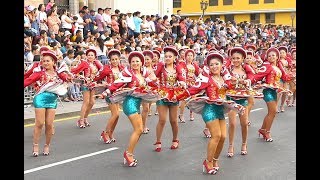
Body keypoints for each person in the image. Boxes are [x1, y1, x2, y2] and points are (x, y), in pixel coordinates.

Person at [186, 52, 245, 174]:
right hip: (209, 110)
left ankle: (214, 159)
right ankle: (207, 162)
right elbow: (193, 89)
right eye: (211, 64)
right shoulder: (207, 79)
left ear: (221, 65)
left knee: (223, 137)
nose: (214, 66)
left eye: (216, 64)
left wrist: (244, 83)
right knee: (216, 135)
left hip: (220, 110)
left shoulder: (224, 78)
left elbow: (233, 87)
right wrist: (178, 95)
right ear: (208, 66)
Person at [101, 51, 158, 167]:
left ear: (141, 63)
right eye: (133, 61)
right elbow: (117, 84)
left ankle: (129, 153)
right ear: (130, 63)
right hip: (130, 104)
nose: (135, 63)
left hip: (137, 104)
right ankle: (128, 154)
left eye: (137, 61)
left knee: (140, 130)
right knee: (138, 130)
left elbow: (152, 83)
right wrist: (106, 92)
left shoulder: (143, 75)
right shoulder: (128, 74)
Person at [24, 50, 72, 157]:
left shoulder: (59, 73)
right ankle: (35, 145)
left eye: (48, 61)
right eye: (44, 61)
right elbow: (27, 80)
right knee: (40, 123)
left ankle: (47, 145)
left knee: (49, 124)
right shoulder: (39, 73)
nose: (45, 63)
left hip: (52, 100)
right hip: (40, 98)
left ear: (53, 62)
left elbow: (69, 79)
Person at [225, 47, 261, 157]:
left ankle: (244, 144)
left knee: (244, 123)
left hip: (243, 98)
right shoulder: (228, 69)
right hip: (231, 98)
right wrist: (230, 81)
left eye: (238, 58)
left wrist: (246, 81)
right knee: (232, 123)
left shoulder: (246, 68)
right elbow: (223, 78)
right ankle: (230, 145)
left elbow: (253, 77)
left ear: (242, 59)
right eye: (234, 58)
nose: (236, 60)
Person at [250, 47, 292, 142]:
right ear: (267, 57)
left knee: (271, 112)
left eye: (273, 55)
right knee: (273, 112)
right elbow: (257, 76)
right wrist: (249, 82)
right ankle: (267, 132)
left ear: (277, 57)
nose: (271, 57)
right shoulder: (267, 66)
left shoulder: (278, 66)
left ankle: (262, 129)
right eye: (269, 56)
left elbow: (285, 77)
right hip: (268, 91)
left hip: (275, 91)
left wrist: (292, 76)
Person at [153, 46, 188, 152]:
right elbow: (154, 76)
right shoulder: (160, 66)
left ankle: (175, 139)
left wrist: (182, 83)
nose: (167, 58)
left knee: (173, 120)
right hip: (162, 94)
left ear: (174, 58)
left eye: (170, 56)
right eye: (166, 56)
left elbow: (182, 79)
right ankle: (158, 141)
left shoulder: (178, 68)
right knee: (162, 119)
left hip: (173, 95)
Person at [93, 49, 124, 143]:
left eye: (116, 59)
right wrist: (103, 84)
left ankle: (111, 133)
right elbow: (96, 77)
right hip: (109, 93)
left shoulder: (122, 68)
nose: (115, 61)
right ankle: (105, 133)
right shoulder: (106, 68)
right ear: (110, 60)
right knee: (115, 114)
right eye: (113, 59)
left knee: (117, 116)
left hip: (119, 93)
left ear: (119, 59)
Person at [71, 48, 103, 128]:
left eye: (92, 55)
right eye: (88, 55)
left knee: (92, 102)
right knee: (86, 102)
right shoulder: (84, 63)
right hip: (86, 85)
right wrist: (80, 76)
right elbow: (75, 70)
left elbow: (102, 71)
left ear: (95, 56)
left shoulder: (96, 64)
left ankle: (85, 118)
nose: (90, 56)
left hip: (93, 85)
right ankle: (81, 120)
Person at [177, 49, 200, 123]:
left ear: (193, 57)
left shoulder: (195, 65)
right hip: (185, 83)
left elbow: (198, 74)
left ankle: (191, 114)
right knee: (184, 99)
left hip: (192, 83)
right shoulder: (182, 64)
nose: (190, 57)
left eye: (191, 55)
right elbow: (180, 73)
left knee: (192, 99)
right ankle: (181, 115)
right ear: (185, 57)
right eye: (188, 55)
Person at [141, 50, 157, 133]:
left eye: (148, 59)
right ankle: (143, 126)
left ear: (151, 59)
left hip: (151, 90)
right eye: (145, 59)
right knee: (146, 109)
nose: (146, 61)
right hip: (143, 90)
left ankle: (142, 125)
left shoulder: (154, 68)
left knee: (147, 109)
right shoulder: (142, 69)